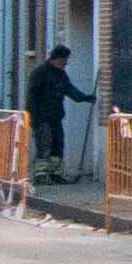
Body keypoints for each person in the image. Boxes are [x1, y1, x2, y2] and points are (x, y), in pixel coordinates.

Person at [27, 36, 93, 185]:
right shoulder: (40, 73)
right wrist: (33, 117)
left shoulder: (61, 74)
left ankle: (55, 174)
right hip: (41, 117)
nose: (65, 63)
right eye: (63, 61)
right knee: (45, 145)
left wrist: (83, 97)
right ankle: (41, 175)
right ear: (55, 58)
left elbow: (69, 89)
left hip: (56, 116)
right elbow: (31, 96)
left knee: (58, 144)